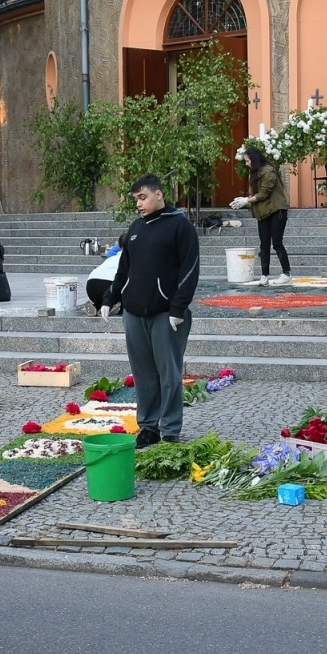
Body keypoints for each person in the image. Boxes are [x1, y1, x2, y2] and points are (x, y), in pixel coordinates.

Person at [99, 174, 199, 449]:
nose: (139, 204)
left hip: (166, 313)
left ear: (159, 194)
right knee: (143, 374)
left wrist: (178, 307)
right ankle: (148, 428)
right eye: (136, 200)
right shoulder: (136, 228)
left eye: (142, 198)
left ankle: (170, 430)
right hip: (134, 312)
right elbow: (124, 269)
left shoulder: (180, 226)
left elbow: (190, 269)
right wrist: (109, 298)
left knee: (169, 375)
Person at [230, 144, 291, 286]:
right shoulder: (255, 173)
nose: (246, 164)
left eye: (247, 161)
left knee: (277, 243)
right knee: (264, 245)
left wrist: (246, 201)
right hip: (263, 212)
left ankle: (287, 274)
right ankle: (264, 276)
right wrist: (245, 199)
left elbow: (264, 194)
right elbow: (257, 194)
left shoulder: (268, 171)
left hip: (276, 210)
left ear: (254, 159)